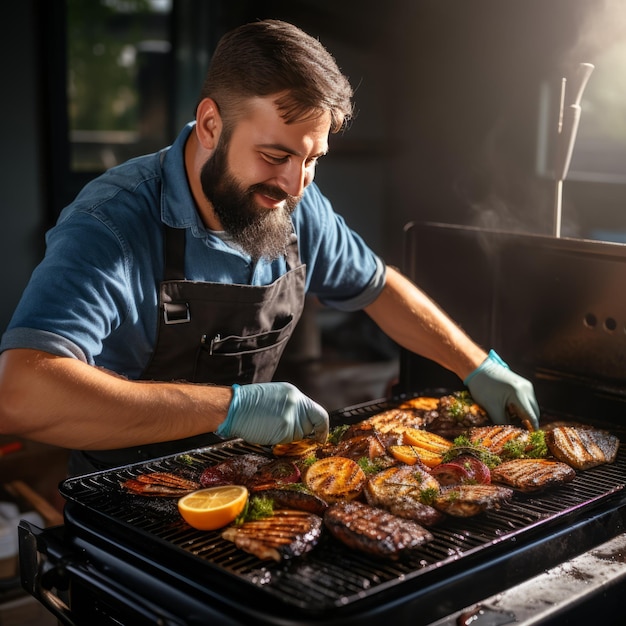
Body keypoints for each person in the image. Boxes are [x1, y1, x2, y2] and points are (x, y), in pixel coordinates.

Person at [0, 19, 539, 476]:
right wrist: (230, 408)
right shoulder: (111, 224)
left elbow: (377, 287)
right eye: (275, 155)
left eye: (313, 159)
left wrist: (477, 367)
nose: (295, 184)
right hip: (129, 496)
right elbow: (21, 392)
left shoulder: (298, 203)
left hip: (248, 478)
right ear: (212, 123)